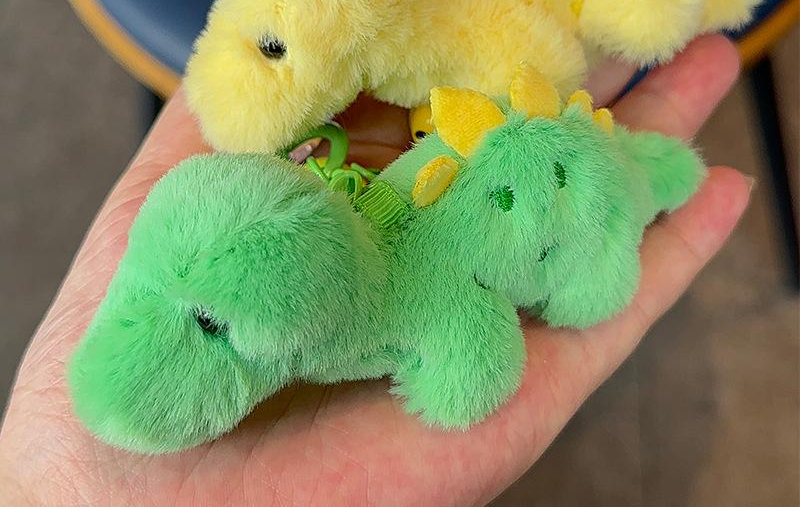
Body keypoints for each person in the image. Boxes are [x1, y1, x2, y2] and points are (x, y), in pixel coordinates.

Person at [0, 35, 751, 506]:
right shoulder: (318, 287)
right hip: (469, 152)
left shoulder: (398, 302)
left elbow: (479, 360)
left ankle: (646, 181)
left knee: (591, 296)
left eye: (210, 325)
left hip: (577, 185)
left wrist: (449, 391)